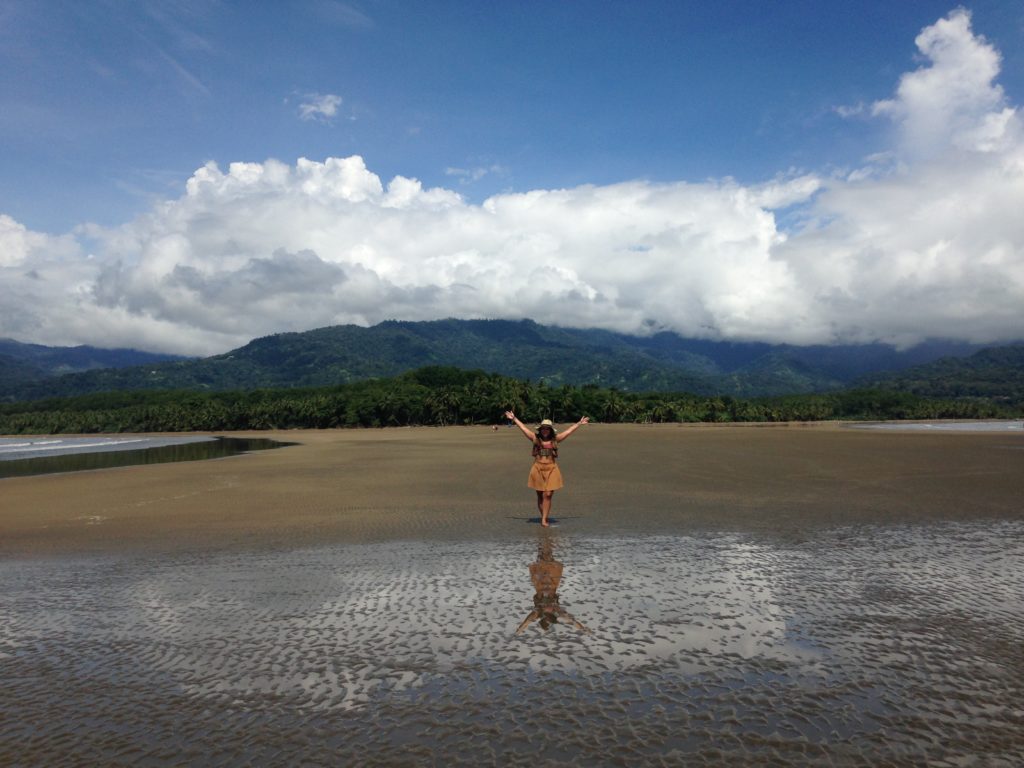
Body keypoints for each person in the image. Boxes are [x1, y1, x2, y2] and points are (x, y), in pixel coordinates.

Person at [504, 410, 588, 527]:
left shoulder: (555, 439)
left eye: (547, 428)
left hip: (552, 468)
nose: (545, 430)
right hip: (537, 468)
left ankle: (544, 519)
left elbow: (568, 432)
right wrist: (514, 419)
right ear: (540, 429)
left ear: (551, 430)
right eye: (543, 428)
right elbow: (523, 428)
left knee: (547, 495)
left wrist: (579, 423)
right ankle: (544, 515)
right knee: (540, 495)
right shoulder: (535, 438)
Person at [516, 534, 588, 634]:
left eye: (548, 618)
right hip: (552, 582)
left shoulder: (537, 612)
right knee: (549, 558)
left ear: (544, 616)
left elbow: (526, 622)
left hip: (540, 583)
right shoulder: (556, 611)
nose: (550, 610)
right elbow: (572, 620)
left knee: (542, 559)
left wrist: (518, 632)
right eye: (551, 617)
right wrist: (583, 629)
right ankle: (546, 540)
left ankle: (543, 540)